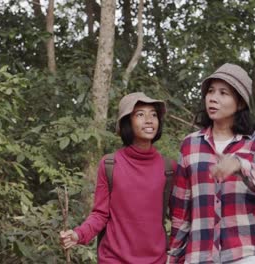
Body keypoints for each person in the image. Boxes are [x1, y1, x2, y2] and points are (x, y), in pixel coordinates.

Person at [168, 63, 255, 264]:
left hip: (250, 256)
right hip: (200, 257)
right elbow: (181, 209)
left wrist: (242, 166)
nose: (213, 98)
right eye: (210, 91)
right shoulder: (190, 144)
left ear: (240, 103)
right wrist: (173, 256)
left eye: (223, 93)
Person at [60, 92, 174, 263]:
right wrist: (78, 234)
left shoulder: (169, 168)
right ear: (127, 122)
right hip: (113, 259)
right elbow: (100, 214)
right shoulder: (110, 164)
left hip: (156, 260)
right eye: (140, 114)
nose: (149, 120)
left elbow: (180, 217)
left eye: (154, 115)